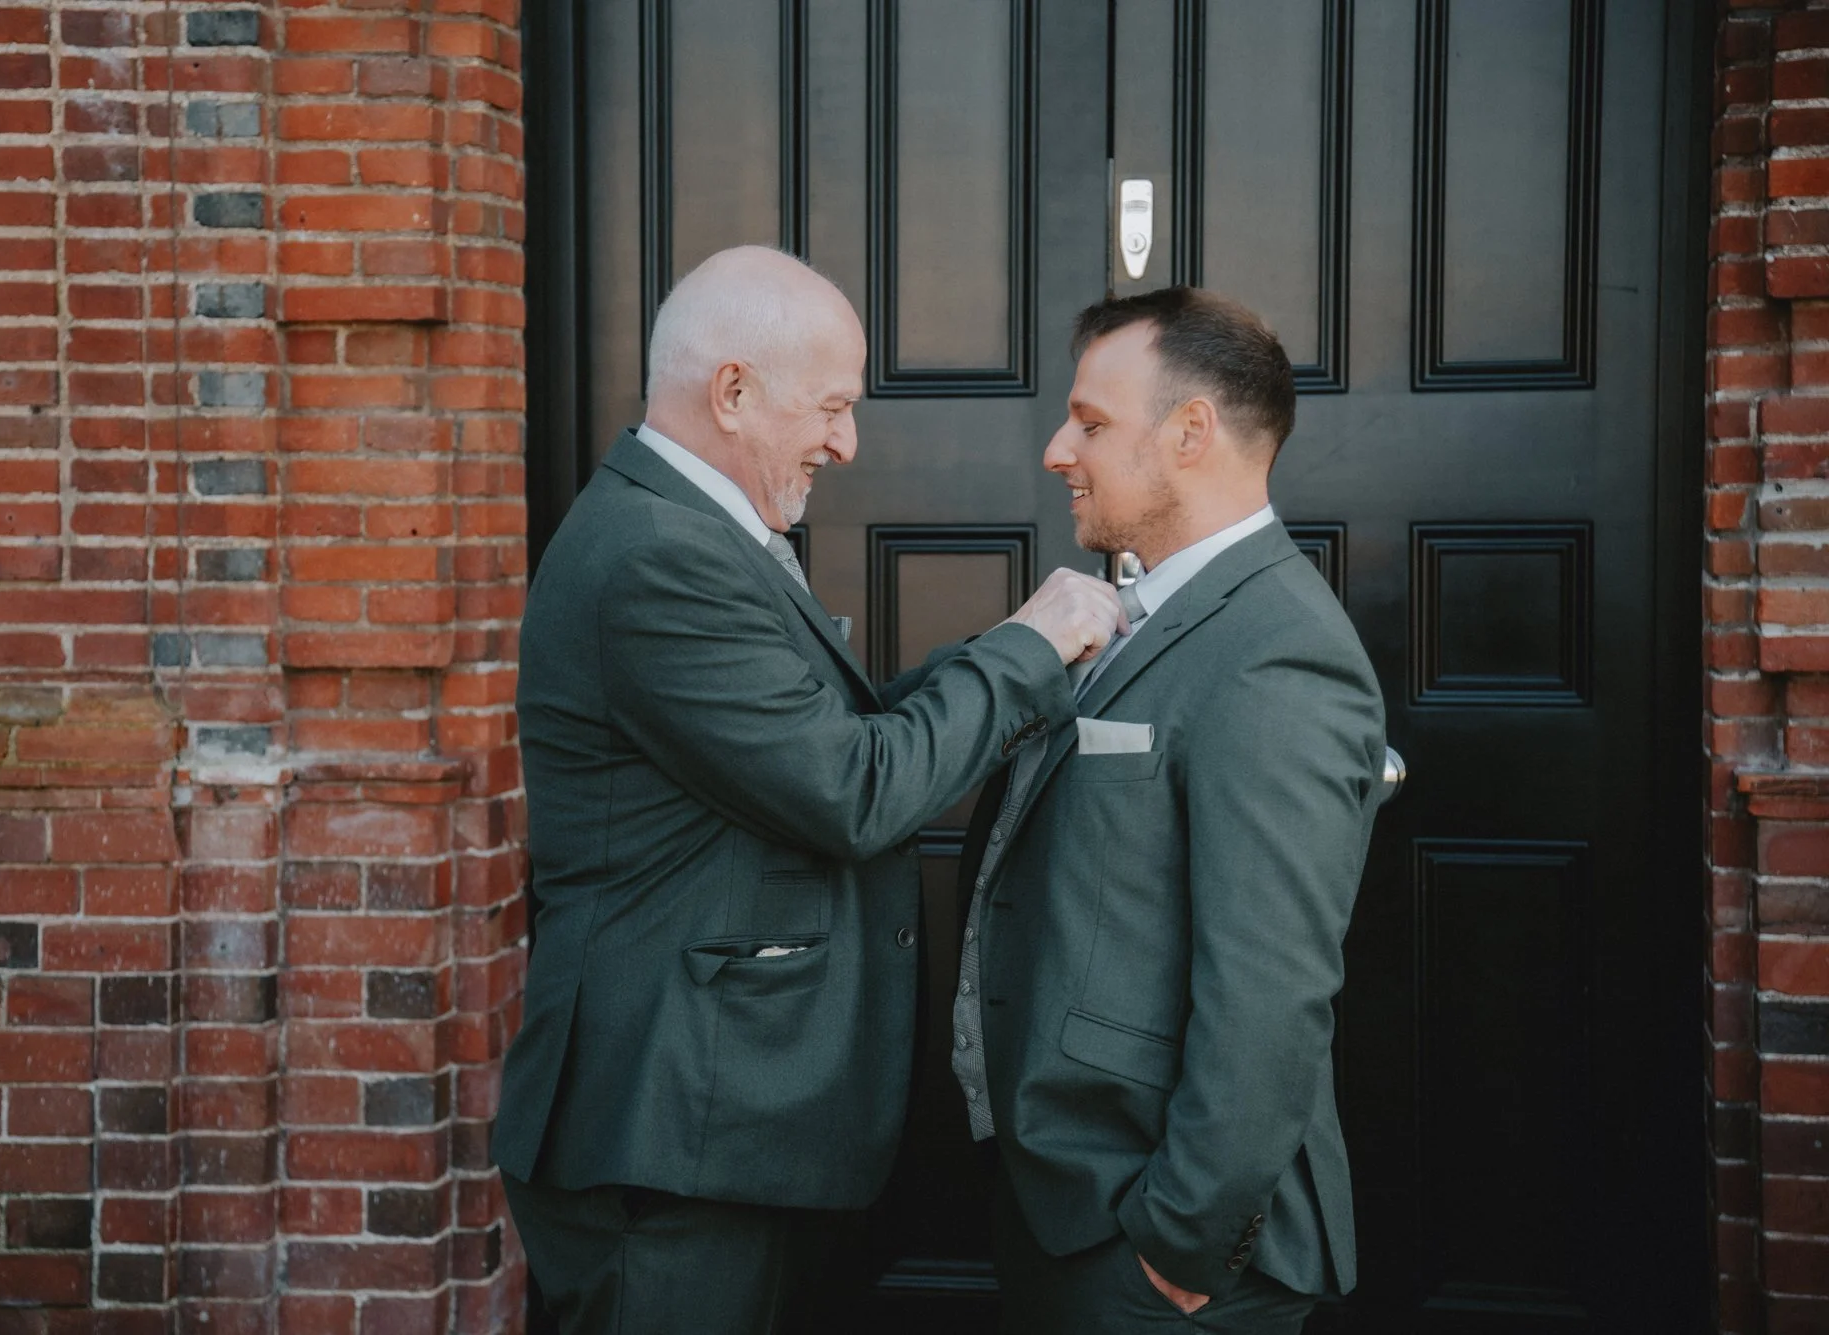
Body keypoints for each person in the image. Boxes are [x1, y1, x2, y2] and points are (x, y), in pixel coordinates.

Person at [492, 245, 1126, 1335]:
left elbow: (820, 737)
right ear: (731, 392)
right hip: (674, 1138)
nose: (847, 442)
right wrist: (1027, 651)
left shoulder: (687, 531)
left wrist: (1012, 652)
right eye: (831, 407)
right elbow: (851, 789)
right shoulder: (656, 555)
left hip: (725, 1129)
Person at [954, 287, 1387, 1334]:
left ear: (1190, 431)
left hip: (1169, 1264)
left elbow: (1270, 990)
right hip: (1068, 1203)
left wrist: (1181, 1238)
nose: (1059, 449)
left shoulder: (1279, 651)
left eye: (1090, 423)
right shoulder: (1147, 612)